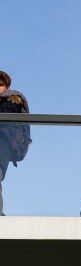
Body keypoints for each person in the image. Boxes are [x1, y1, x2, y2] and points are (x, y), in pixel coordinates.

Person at [0, 71, 31, 216]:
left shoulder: (12, 99)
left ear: (7, 86)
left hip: (2, 147)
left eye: (0, 85)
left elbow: (6, 122)